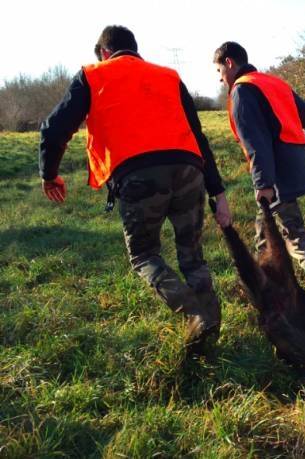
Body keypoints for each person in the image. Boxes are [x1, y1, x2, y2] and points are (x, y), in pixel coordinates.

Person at [39, 25, 231, 354]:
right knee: (192, 256)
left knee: (144, 255)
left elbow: (54, 128)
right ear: (135, 50)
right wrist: (218, 191)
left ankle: (196, 314)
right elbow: (198, 135)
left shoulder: (92, 75)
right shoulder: (168, 76)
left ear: (103, 53)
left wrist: (50, 173)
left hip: (139, 176)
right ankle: (210, 330)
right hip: (189, 170)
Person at [213, 41, 305, 317]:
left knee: (298, 242)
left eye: (219, 70)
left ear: (229, 63)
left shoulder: (243, 90)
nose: (219, 78)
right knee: (264, 240)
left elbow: (257, 143)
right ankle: (273, 300)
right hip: (296, 168)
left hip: (277, 177)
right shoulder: (273, 83)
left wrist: (263, 184)